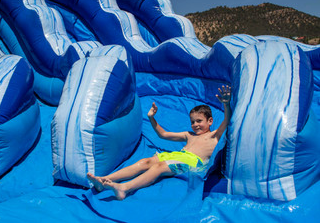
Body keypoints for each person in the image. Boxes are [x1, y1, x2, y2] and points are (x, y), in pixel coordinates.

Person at [87, 85, 232, 200]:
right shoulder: (189, 135)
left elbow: (226, 121)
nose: (195, 125)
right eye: (193, 122)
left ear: (210, 121)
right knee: (145, 162)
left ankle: (124, 188)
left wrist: (226, 104)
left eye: (199, 121)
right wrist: (151, 118)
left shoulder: (214, 136)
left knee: (160, 167)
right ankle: (104, 180)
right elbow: (163, 134)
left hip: (192, 162)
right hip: (177, 155)